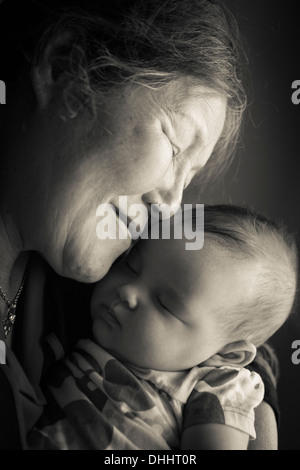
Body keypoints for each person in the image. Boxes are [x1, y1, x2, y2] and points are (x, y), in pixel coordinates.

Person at [0, 0, 276, 450]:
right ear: (64, 67)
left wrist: (249, 413)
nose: (171, 208)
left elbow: (234, 317)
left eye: (191, 177)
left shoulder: (99, 260)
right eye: (173, 146)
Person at [26, 204, 298, 450]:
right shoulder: (81, 317)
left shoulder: (218, 386)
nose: (127, 292)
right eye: (132, 266)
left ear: (226, 356)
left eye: (165, 304)